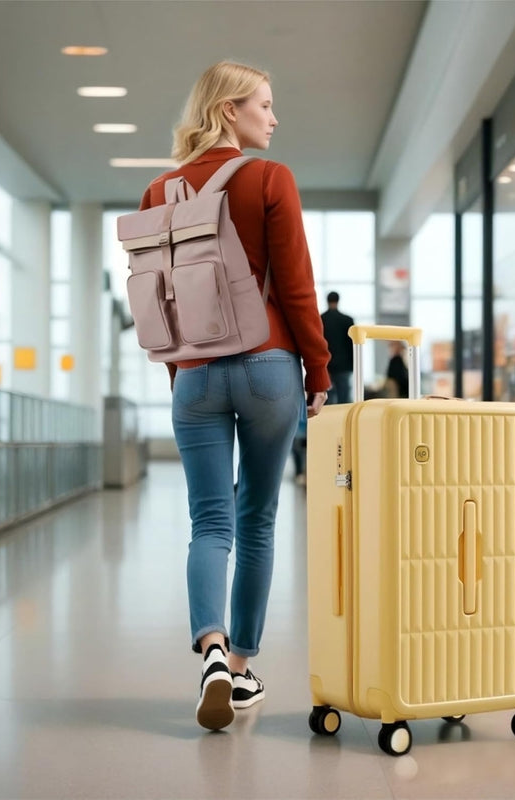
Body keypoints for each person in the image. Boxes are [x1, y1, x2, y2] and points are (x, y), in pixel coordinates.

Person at [139, 61, 330, 731]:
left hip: (193, 375)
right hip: (268, 365)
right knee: (257, 518)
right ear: (228, 112)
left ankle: (211, 651)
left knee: (209, 522)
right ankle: (243, 669)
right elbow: (299, 287)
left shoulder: (159, 190)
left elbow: (158, 300)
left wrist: (182, 373)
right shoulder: (270, 179)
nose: (274, 118)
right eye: (265, 106)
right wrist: (320, 371)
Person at [321, 292, 355, 404]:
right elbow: (351, 345)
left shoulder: (321, 320)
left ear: (327, 300)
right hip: (343, 366)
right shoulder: (347, 320)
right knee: (344, 399)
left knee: (327, 400)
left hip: (326, 365)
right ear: (338, 301)